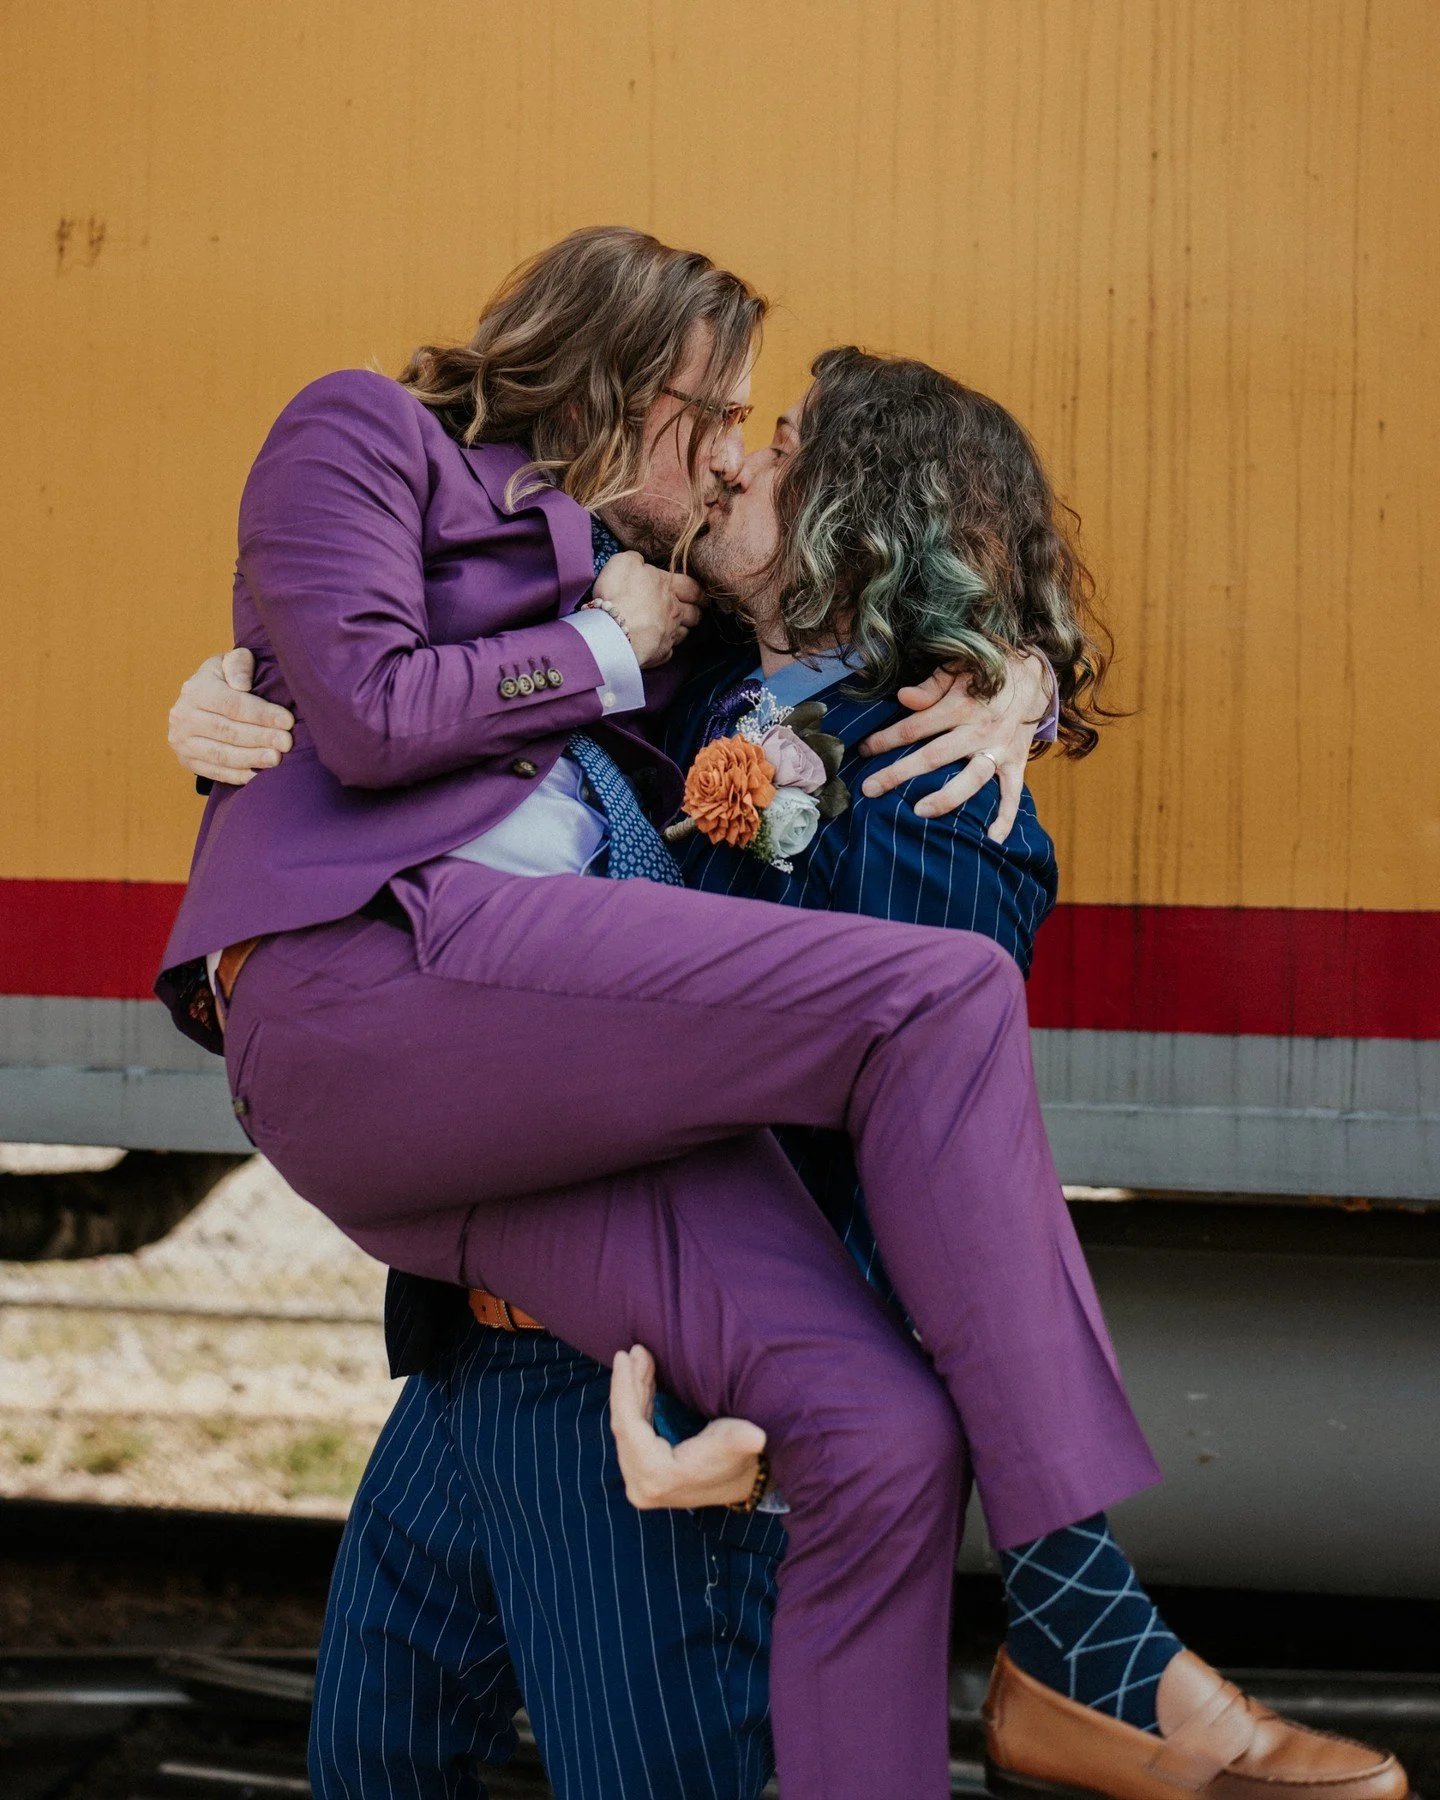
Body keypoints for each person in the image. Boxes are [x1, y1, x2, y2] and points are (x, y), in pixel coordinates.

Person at [157, 230, 1406, 1800]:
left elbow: (895, 1149)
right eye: (735, 420)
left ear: (877, 516)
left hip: (636, 1382)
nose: (742, 461)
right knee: (379, 1761)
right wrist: (222, 701)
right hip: (474, 1356)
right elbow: (407, 726)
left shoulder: (927, 781)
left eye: (783, 443)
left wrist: (1010, 672)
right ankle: (1092, 1637)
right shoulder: (674, 669)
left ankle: (1089, 1636)